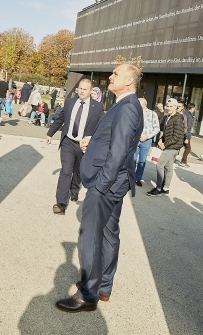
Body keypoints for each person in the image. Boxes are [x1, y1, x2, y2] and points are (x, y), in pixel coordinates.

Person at [55, 64, 143, 312]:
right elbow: (114, 142)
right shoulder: (124, 105)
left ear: (128, 81)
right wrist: (93, 142)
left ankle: (88, 293)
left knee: (90, 235)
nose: (110, 77)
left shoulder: (127, 107)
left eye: (115, 74)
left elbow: (119, 151)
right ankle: (103, 286)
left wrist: (101, 186)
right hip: (115, 182)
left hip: (108, 183)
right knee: (107, 233)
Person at [46, 78, 103, 214]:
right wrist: (50, 133)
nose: (81, 91)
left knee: (78, 171)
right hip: (68, 142)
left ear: (90, 91)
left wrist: (91, 141)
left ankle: (74, 189)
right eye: (80, 88)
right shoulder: (70, 102)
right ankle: (61, 203)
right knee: (66, 171)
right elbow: (61, 118)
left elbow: (101, 127)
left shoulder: (97, 107)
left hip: (84, 146)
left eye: (85, 89)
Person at [147, 98, 185, 196]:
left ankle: (159, 188)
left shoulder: (178, 118)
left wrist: (165, 144)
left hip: (173, 147)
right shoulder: (168, 117)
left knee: (159, 164)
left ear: (176, 107)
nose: (168, 108)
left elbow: (177, 136)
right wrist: (161, 139)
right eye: (167, 106)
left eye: (171, 106)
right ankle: (165, 188)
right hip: (169, 145)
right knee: (168, 167)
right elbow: (167, 132)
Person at [134, 98, 160, 186]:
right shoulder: (135, 112)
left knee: (142, 161)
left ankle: (137, 178)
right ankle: (129, 177)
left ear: (143, 105)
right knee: (132, 159)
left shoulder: (152, 114)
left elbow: (157, 128)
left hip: (146, 141)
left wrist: (147, 136)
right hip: (135, 140)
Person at [177, 101, 195, 167]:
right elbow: (188, 127)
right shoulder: (189, 116)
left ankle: (174, 158)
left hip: (180, 133)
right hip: (185, 134)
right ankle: (183, 161)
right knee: (188, 148)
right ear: (192, 108)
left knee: (179, 145)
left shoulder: (183, 112)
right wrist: (187, 137)